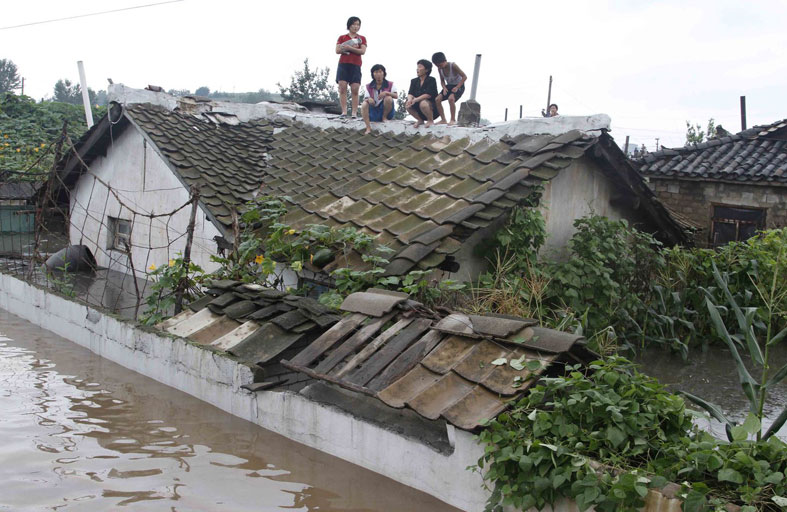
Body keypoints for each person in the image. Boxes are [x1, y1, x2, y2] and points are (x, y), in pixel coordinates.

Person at [335, 16, 367, 118]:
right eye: (354, 24)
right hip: (343, 64)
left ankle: (354, 112)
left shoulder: (361, 38)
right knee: (342, 87)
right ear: (349, 25)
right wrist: (345, 47)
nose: (356, 26)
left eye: (358, 24)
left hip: (356, 65)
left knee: (355, 88)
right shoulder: (342, 37)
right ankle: (344, 111)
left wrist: (350, 48)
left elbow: (362, 51)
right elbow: (337, 50)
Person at [361, 64, 398, 135]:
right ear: (373, 74)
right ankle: (368, 127)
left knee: (388, 98)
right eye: (376, 72)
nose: (378, 74)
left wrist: (386, 93)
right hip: (373, 111)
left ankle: (384, 117)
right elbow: (366, 98)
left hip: (385, 110)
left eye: (380, 72)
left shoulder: (390, 84)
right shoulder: (369, 86)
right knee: (364, 104)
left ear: (384, 73)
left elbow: (396, 95)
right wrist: (369, 99)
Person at [431, 52, 467, 125]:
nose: (439, 67)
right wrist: (444, 88)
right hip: (449, 86)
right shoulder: (440, 69)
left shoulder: (453, 65)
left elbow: (464, 77)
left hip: (459, 85)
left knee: (451, 99)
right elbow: (442, 80)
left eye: (440, 65)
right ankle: (443, 119)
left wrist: (457, 87)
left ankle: (453, 119)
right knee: (437, 99)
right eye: (437, 66)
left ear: (444, 61)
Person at [406, 59, 438, 128]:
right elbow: (410, 93)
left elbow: (428, 94)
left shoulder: (431, 80)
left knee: (423, 103)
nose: (417, 69)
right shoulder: (414, 81)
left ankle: (430, 120)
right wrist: (410, 100)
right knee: (407, 105)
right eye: (417, 67)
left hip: (431, 108)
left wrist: (416, 99)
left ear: (426, 70)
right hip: (418, 108)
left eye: (420, 67)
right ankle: (420, 120)